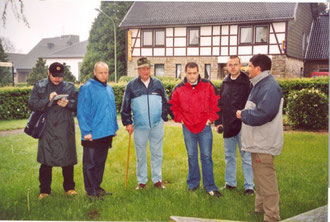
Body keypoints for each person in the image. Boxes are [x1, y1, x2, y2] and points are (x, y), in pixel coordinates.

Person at [236, 54, 283, 222]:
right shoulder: (260, 84)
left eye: (249, 66)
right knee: (260, 179)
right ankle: (260, 209)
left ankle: (271, 216)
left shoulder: (269, 87)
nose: (247, 69)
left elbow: (265, 113)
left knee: (267, 181)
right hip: (258, 142)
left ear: (258, 68)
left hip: (264, 142)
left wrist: (244, 114)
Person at [169, 62, 222, 197]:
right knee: (192, 157)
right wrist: (181, 119)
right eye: (189, 73)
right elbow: (172, 107)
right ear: (185, 73)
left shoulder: (208, 86)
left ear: (199, 72)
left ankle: (210, 186)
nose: (192, 76)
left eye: (194, 73)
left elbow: (216, 103)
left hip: (204, 127)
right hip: (188, 128)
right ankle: (193, 184)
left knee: (206, 156)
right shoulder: (179, 88)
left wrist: (210, 119)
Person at [28, 62, 78, 200]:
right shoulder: (39, 86)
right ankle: (44, 190)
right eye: (55, 76)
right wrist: (47, 100)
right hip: (47, 128)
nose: (58, 79)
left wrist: (69, 104)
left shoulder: (70, 87)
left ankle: (69, 188)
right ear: (48, 73)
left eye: (60, 76)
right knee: (46, 159)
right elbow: (31, 103)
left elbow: (80, 105)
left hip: (65, 128)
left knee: (67, 159)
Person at [121, 57, 168, 190]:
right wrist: (127, 122)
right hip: (140, 126)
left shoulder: (158, 84)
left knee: (157, 153)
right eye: (142, 69)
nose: (146, 71)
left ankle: (157, 180)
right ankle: (141, 181)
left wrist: (163, 116)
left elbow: (165, 102)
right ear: (138, 70)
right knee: (140, 155)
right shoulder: (131, 86)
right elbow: (125, 106)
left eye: (148, 68)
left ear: (150, 69)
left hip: (156, 125)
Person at [77, 62, 119, 198]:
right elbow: (82, 112)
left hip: (106, 133)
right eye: (101, 72)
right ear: (95, 72)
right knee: (90, 164)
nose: (103, 75)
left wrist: (114, 127)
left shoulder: (109, 89)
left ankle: (97, 187)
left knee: (100, 163)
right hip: (92, 134)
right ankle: (91, 191)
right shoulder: (87, 88)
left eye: (106, 72)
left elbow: (112, 110)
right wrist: (86, 132)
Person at [215, 56, 254, 195]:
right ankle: (230, 183)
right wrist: (218, 122)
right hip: (227, 125)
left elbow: (252, 104)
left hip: (243, 125)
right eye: (230, 65)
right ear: (227, 66)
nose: (233, 67)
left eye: (235, 64)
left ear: (240, 65)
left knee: (246, 157)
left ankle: (249, 186)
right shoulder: (224, 83)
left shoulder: (247, 83)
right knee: (229, 156)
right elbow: (219, 104)